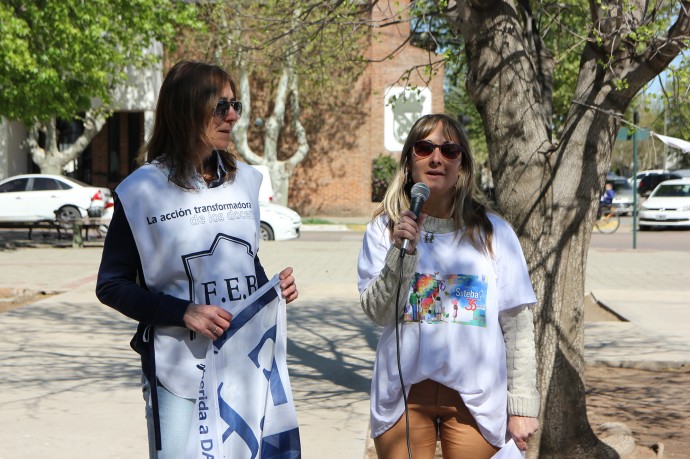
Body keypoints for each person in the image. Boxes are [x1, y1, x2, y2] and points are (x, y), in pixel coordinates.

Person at [95, 60, 298, 459]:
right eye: (222, 107)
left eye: (234, 105)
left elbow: (245, 261)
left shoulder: (246, 181)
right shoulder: (140, 191)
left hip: (245, 366)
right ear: (188, 109)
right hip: (177, 371)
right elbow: (111, 284)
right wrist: (183, 312)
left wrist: (270, 289)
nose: (234, 116)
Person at [357, 113, 540, 458]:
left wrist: (522, 405)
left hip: (476, 400)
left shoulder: (494, 232)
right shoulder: (384, 230)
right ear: (409, 161)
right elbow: (379, 313)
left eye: (449, 150)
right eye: (424, 148)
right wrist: (402, 253)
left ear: (463, 165)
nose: (436, 158)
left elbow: (518, 326)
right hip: (404, 396)